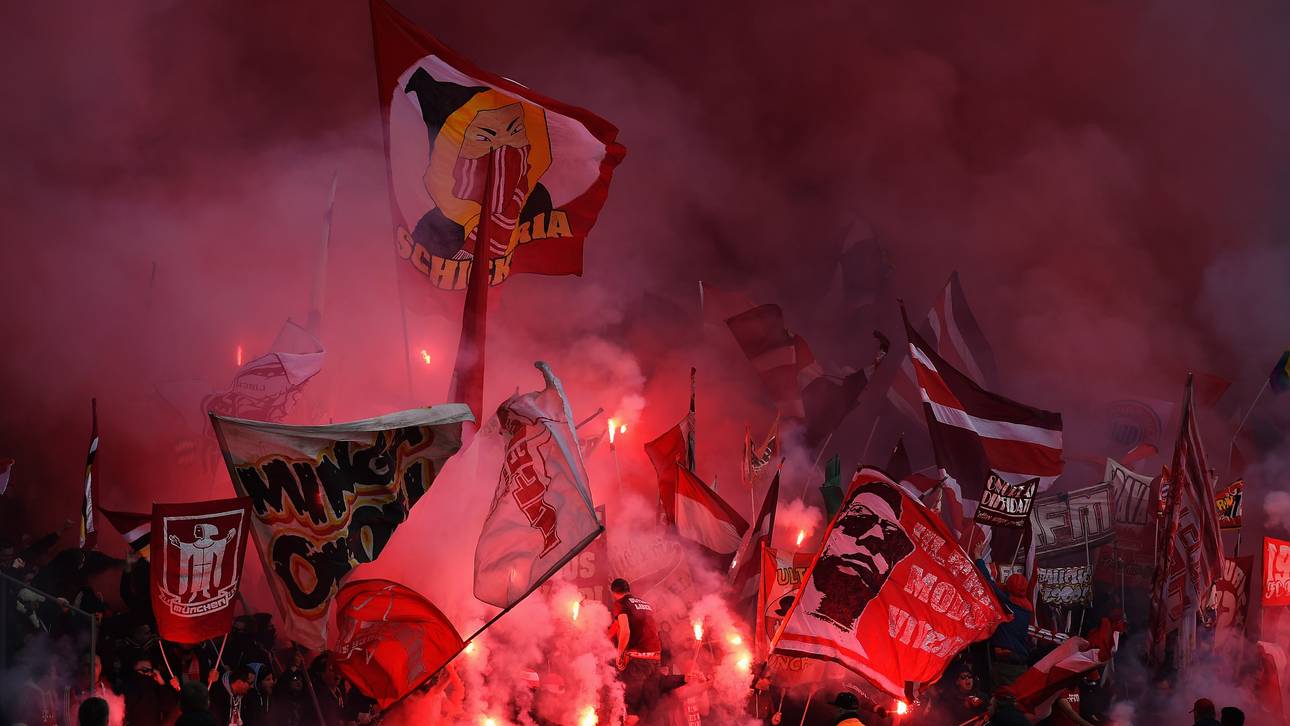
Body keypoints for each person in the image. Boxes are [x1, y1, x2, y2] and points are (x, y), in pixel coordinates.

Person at [609, 578, 662, 723]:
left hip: (639, 661)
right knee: (648, 708)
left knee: (631, 707)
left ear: (614, 592)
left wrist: (620, 655)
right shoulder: (645, 604)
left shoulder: (620, 603)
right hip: (655, 659)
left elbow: (625, 631)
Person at [975, 560, 1033, 687]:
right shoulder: (1027, 609)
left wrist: (978, 559)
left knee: (1004, 696)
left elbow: (988, 582)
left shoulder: (1008, 605)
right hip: (1022, 664)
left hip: (1006, 667)